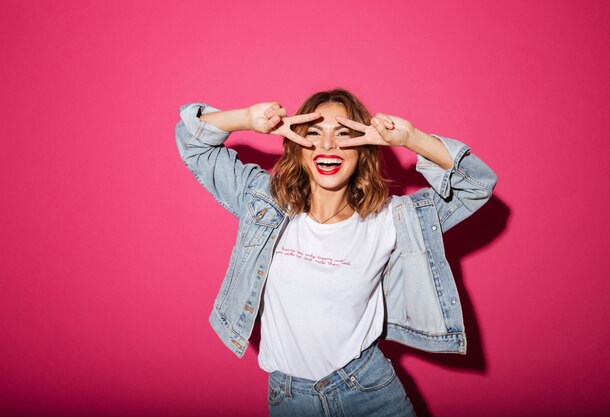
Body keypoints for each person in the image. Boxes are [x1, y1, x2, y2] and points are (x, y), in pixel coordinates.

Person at [175, 88, 497, 417]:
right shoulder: (263, 202)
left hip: (370, 392)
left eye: (343, 135)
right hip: (291, 400)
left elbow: (477, 184)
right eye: (314, 133)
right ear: (297, 149)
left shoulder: (393, 220)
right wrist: (245, 119)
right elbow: (191, 139)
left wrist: (411, 138)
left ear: (363, 150)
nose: (327, 145)